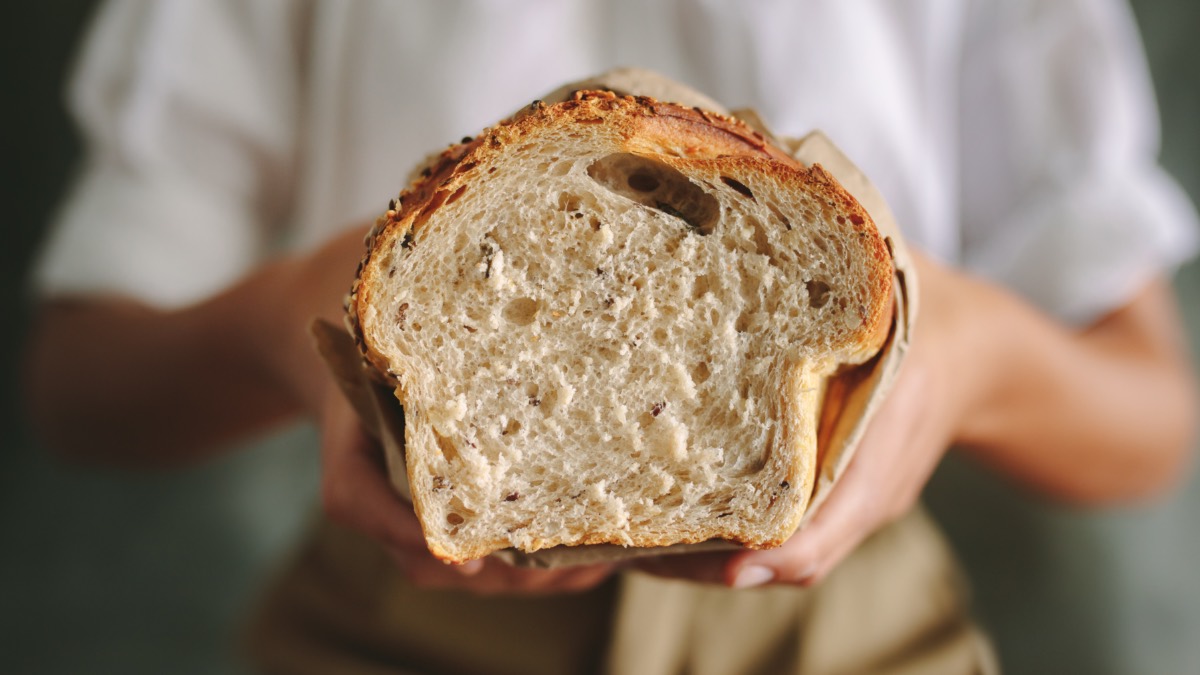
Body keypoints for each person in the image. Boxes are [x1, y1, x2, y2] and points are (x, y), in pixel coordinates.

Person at [24, 1, 1198, 673]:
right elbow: (80, 379)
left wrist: (961, 354)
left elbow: (1148, 418)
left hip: (857, 644)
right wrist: (297, 316)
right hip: (383, 634)